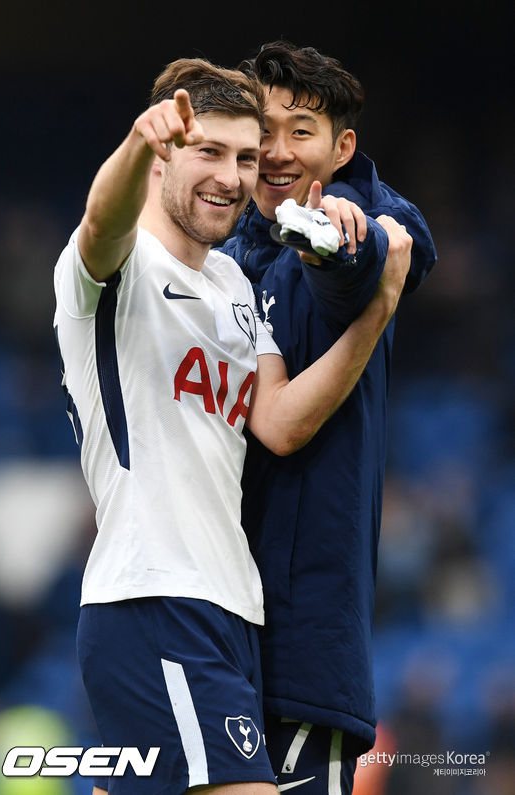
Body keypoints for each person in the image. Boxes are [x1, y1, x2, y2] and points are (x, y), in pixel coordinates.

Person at [52, 57, 412, 795]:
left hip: (233, 610)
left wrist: (377, 311)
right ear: (163, 158)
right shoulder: (119, 267)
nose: (231, 176)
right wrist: (135, 143)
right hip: (155, 595)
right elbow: (100, 221)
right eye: (209, 151)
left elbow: (280, 422)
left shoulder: (233, 283)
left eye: (245, 158)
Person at [220, 40, 437, 794]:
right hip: (221, 631)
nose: (278, 151)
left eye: (301, 130)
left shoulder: (341, 226)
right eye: (264, 131)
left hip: (305, 653)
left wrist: (347, 237)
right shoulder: (234, 261)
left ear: (342, 149)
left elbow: (374, 255)